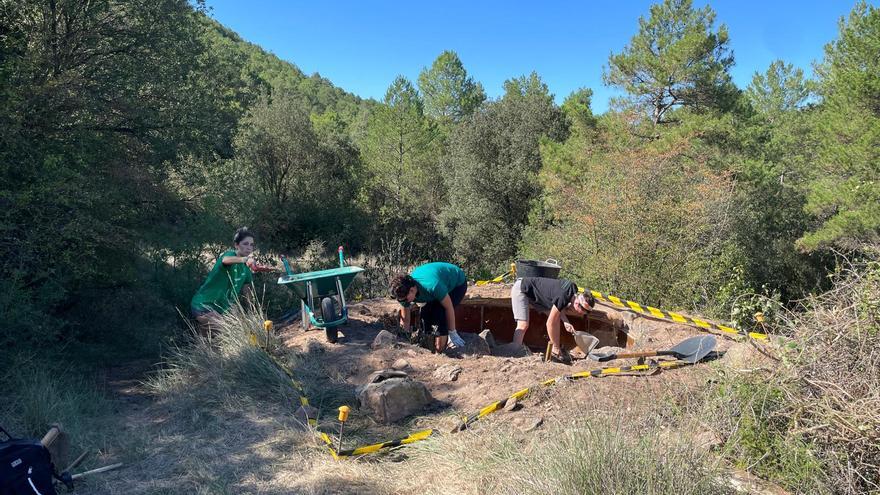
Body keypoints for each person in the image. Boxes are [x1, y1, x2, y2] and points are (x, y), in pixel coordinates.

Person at [190, 227, 266, 334]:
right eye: (245, 244)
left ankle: (201, 349)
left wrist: (252, 313)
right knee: (231, 332)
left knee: (209, 342)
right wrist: (245, 259)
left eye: (251, 245)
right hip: (204, 305)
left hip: (219, 311)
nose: (249, 247)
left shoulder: (246, 269)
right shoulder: (230, 255)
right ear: (236, 245)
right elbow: (225, 260)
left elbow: (247, 291)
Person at [508, 277, 595, 363]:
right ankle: (515, 352)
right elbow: (550, 323)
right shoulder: (563, 296)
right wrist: (556, 347)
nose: (578, 314)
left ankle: (555, 349)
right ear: (577, 303)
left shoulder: (572, 290)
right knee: (523, 325)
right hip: (522, 288)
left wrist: (566, 322)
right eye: (579, 312)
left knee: (556, 319)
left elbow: (558, 308)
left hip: (538, 296)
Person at [391, 262, 468, 353]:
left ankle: (441, 350)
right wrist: (404, 336)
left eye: (406, 299)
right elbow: (405, 319)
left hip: (456, 283)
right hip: (435, 281)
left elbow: (448, 307)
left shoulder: (432, 286)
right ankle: (428, 346)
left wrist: (452, 332)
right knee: (425, 315)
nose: (404, 302)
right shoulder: (404, 293)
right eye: (401, 300)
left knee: (440, 313)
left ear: (412, 290)